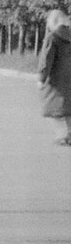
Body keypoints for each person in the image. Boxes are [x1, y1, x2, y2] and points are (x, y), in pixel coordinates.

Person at [37, 8, 71, 146]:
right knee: (69, 108)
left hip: (58, 78)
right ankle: (69, 134)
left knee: (55, 107)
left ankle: (62, 136)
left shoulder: (53, 38)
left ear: (54, 22)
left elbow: (47, 59)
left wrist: (42, 78)